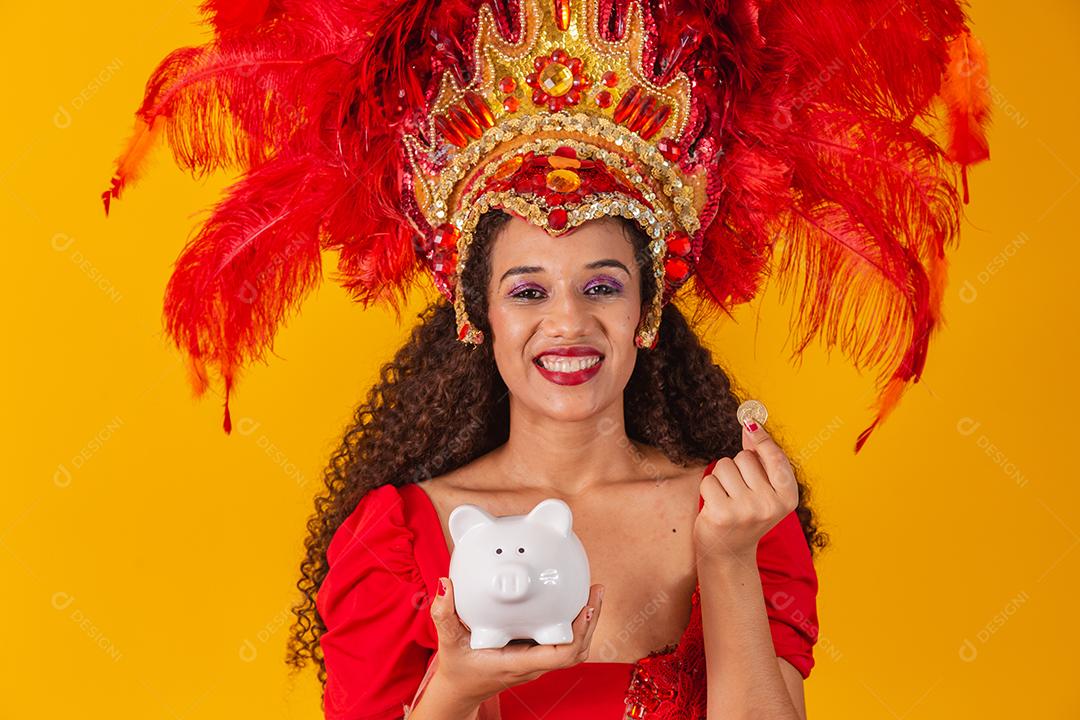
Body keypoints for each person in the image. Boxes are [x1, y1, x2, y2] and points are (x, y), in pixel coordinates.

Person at [101, 0, 990, 716]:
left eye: (601, 286)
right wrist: (457, 686)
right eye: (528, 290)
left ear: (647, 309)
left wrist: (724, 561)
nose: (567, 323)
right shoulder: (398, 539)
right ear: (477, 314)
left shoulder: (736, 515)